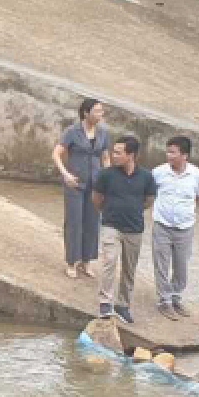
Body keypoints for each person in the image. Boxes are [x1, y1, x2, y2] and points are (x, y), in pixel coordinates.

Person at [93, 135, 156, 325]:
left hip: (134, 229)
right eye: (114, 152)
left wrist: (132, 209)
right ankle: (105, 303)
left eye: (118, 153)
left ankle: (122, 305)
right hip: (111, 225)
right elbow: (96, 199)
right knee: (109, 261)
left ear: (131, 155)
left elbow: (149, 201)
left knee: (129, 269)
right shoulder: (106, 175)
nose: (114, 155)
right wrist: (109, 211)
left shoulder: (146, 177)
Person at [52, 98, 111, 279]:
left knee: (92, 223)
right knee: (74, 222)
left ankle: (86, 261)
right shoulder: (72, 131)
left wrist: (106, 177)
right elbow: (56, 153)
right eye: (97, 111)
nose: (100, 115)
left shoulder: (103, 133)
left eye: (101, 111)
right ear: (86, 113)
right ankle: (72, 261)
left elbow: (105, 157)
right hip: (75, 183)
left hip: (95, 185)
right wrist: (65, 174)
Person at [151, 135, 199, 321]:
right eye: (168, 151)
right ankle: (164, 301)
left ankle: (176, 297)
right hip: (162, 225)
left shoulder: (197, 175)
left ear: (185, 155)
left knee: (181, 265)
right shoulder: (158, 172)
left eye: (173, 152)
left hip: (185, 227)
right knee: (161, 264)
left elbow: (198, 196)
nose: (169, 156)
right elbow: (150, 194)